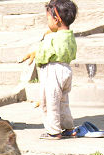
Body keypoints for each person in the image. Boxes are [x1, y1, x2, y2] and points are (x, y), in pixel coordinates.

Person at [23, 0, 78, 140]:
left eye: (48, 18)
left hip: (53, 72)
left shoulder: (52, 38)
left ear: (56, 19)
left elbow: (42, 55)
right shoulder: (70, 36)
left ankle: (53, 131)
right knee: (63, 101)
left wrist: (38, 51)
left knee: (50, 102)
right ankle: (68, 127)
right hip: (66, 69)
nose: (47, 21)